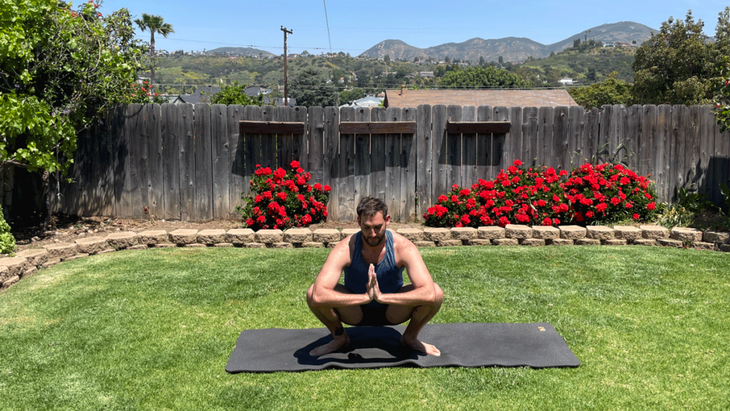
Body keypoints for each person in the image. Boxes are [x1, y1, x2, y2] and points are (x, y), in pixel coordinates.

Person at [306, 196, 444, 357]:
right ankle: (339, 338)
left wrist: (382, 297)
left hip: (393, 310)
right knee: (312, 292)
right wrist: (365, 297)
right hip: (354, 311)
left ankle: (410, 338)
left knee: (436, 292)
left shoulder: (403, 247)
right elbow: (318, 295)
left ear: (387, 220)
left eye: (378, 227)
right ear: (358, 222)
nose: (372, 234)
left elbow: (428, 293)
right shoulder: (345, 248)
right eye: (367, 227)